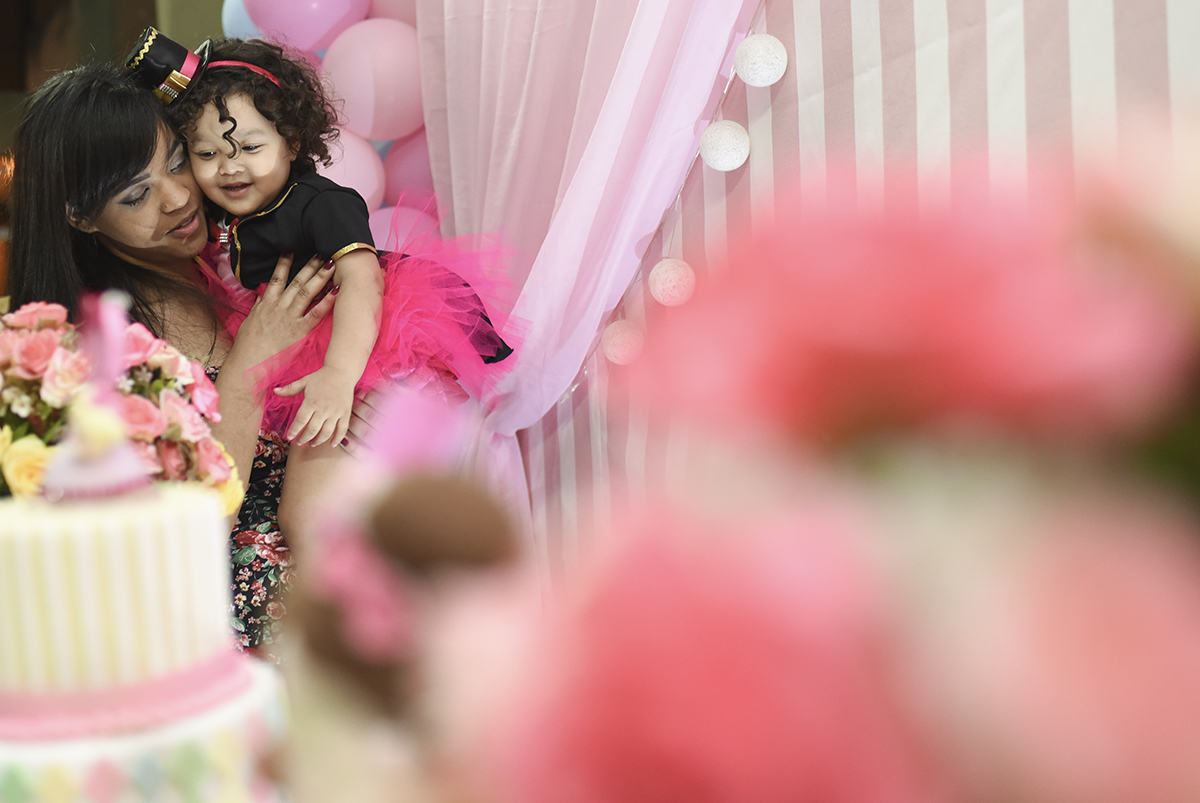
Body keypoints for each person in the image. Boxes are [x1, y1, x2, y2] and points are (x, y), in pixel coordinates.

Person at [6, 62, 337, 652]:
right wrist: (243, 375)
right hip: (234, 646)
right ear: (79, 217)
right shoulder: (94, 347)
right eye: (137, 194)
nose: (180, 196)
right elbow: (177, 541)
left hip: (339, 582)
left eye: (179, 160)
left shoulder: (244, 248)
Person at [126, 30, 513, 450]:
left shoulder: (321, 203)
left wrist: (339, 374)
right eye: (207, 154)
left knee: (404, 440)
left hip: (358, 333)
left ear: (292, 141)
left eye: (250, 147)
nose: (229, 168)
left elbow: (363, 282)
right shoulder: (221, 212)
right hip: (293, 336)